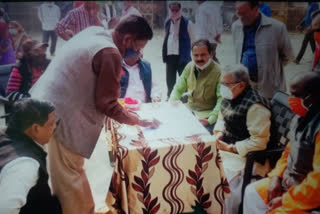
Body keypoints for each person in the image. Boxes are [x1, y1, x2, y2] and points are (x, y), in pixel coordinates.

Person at [30, 15, 159, 214]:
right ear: (127, 39)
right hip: (59, 118)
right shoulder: (110, 53)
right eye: (139, 47)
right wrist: (138, 120)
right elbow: (107, 103)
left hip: (46, 106)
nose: (139, 53)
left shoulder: (94, 32)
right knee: (70, 183)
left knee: (70, 177)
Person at [243, 72, 320, 214]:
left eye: (295, 95)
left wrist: (285, 200)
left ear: (309, 98)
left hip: (309, 197)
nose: (290, 100)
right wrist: (275, 177)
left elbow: (317, 185)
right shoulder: (301, 117)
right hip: (289, 182)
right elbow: (288, 152)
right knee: (252, 192)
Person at [214, 64, 271, 214]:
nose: (222, 87)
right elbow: (222, 117)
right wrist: (219, 132)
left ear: (241, 85)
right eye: (221, 83)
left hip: (249, 157)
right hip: (228, 149)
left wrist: (230, 148)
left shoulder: (256, 106)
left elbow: (259, 142)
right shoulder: (230, 95)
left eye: (226, 84)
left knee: (223, 184)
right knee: (204, 167)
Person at [0, 98, 61, 214]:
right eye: (51, 123)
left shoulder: (5, 134)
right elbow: (5, 209)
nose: (55, 127)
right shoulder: (25, 164)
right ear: (36, 128)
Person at [232, 1, 294, 99]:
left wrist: (270, 69)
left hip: (269, 85)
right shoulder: (236, 26)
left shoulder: (277, 27)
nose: (241, 18)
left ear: (256, 9)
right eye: (238, 14)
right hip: (245, 84)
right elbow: (239, 52)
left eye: (245, 13)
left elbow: (287, 56)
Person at [169, 39, 221, 133]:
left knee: (201, 140)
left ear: (211, 54)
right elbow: (178, 88)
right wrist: (172, 101)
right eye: (196, 55)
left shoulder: (219, 72)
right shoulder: (189, 66)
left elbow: (221, 101)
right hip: (189, 111)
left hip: (207, 115)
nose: (199, 58)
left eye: (203, 54)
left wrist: (211, 119)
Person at [162, 1, 193, 99]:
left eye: (176, 10)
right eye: (172, 10)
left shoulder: (188, 23)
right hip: (170, 55)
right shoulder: (167, 22)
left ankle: (186, 99)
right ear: (170, 10)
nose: (174, 12)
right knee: (170, 79)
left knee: (184, 79)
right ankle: (170, 97)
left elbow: (193, 39)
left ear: (180, 10)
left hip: (182, 56)